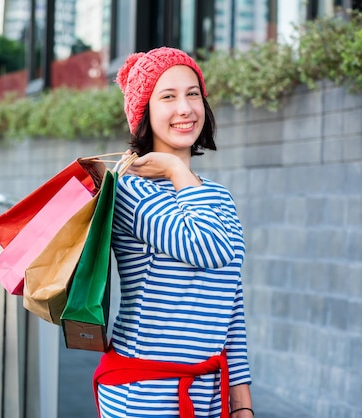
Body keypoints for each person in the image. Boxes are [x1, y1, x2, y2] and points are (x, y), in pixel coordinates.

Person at [92, 47, 253, 418]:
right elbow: (207, 249)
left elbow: (231, 303)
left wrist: (242, 403)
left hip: (208, 394)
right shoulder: (132, 192)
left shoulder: (216, 195)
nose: (185, 108)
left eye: (193, 93)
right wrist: (175, 170)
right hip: (144, 395)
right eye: (168, 96)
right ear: (144, 112)